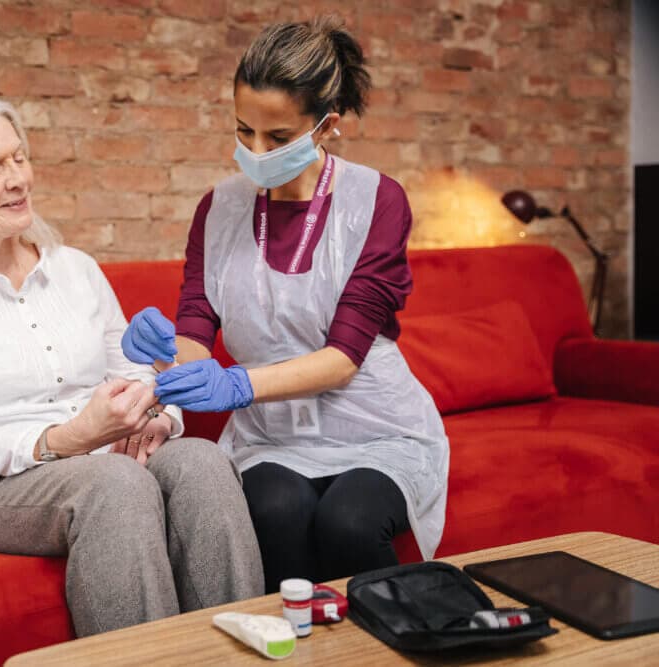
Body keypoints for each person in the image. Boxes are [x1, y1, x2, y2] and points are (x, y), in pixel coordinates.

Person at [0, 92, 263, 636]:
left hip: (104, 457)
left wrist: (155, 419)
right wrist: (69, 437)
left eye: (19, 157)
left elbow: (136, 372)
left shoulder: (75, 269)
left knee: (200, 463)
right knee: (113, 485)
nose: (17, 179)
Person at [121, 17, 449, 592]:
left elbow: (345, 355)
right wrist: (170, 352)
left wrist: (239, 384)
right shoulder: (218, 209)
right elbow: (197, 322)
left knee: (350, 522)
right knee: (273, 512)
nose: (255, 151)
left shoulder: (375, 200)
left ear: (327, 126)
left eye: (277, 138)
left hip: (373, 427)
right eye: (244, 130)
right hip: (272, 437)